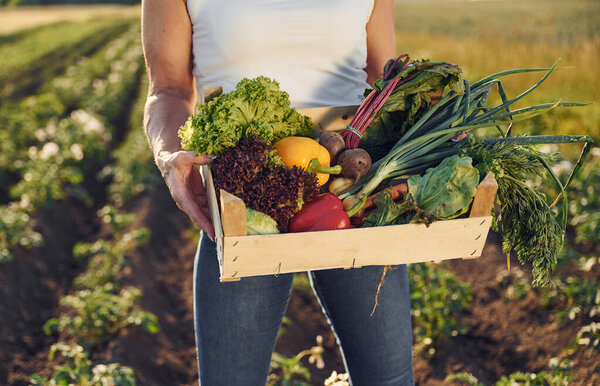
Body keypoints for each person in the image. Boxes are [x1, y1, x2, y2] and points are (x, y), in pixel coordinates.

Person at [141, 0, 414, 385]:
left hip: (351, 190)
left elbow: (384, 80)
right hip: (241, 200)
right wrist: (170, 156)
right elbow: (167, 89)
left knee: (388, 381)